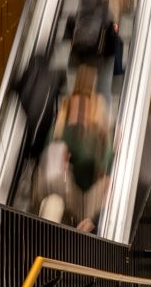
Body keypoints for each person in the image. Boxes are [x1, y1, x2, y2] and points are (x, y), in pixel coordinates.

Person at [53, 65, 113, 231]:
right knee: (91, 212)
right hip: (93, 176)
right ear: (93, 84)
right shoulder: (98, 104)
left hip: (71, 178)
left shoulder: (66, 104)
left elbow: (56, 137)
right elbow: (106, 145)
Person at [12, 52, 62, 164]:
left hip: (38, 110)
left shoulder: (50, 76)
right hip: (39, 111)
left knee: (37, 132)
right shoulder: (52, 77)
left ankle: (29, 156)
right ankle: (29, 156)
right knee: (37, 133)